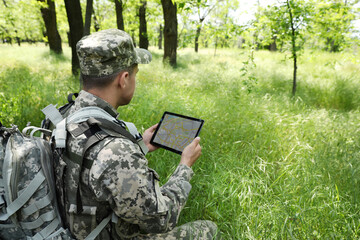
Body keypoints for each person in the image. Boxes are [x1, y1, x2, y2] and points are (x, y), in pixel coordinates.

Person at [58, 28, 219, 239]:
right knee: (208, 229)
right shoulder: (115, 150)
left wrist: (141, 145)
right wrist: (185, 167)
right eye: (135, 74)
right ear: (123, 78)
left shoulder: (64, 117)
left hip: (69, 229)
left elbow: (90, 165)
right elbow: (161, 219)